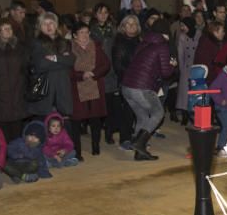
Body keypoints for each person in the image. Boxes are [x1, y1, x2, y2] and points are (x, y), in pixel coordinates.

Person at [120, 21, 176, 160]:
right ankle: (139, 143)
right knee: (158, 113)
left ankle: (140, 153)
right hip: (142, 88)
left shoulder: (144, 42)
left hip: (127, 86)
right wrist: (173, 65)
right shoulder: (162, 46)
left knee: (143, 117)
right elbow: (165, 73)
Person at [0, 19, 28, 143]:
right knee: (2, 128)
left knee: (17, 127)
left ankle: (17, 155)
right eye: (4, 28)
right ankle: (2, 155)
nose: (8, 31)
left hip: (17, 91)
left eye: (10, 28)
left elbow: (26, 67)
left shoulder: (20, 47)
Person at [69, 22, 110, 158]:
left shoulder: (95, 47)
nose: (85, 35)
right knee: (76, 120)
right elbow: (66, 69)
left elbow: (106, 64)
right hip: (77, 88)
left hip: (94, 86)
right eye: (81, 33)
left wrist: (94, 73)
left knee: (95, 119)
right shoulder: (69, 49)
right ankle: (77, 151)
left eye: (87, 32)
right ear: (74, 35)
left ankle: (96, 146)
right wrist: (81, 75)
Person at [26, 12, 75, 121]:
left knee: (64, 128)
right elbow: (41, 64)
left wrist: (55, 58)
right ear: (40, 27)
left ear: (56, 25)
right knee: (45, 127)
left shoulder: (65, 42)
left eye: (51, 23)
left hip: (62, 89)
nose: (48, 27)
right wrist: (62, 60)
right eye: (45, 24)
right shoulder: (36, 43)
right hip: (45, 90)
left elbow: (71, 61)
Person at [110, 15, 142, 150]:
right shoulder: (119, 42)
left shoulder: (140, 41)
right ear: (123, 27)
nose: (131, 27)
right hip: (127, 80)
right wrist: (135, 73)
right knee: (127, 111)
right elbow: (118, 66)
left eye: (134, 24)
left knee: (140, 111)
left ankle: (139, 138)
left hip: (141, 81)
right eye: (128, 24)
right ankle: (125, 139)